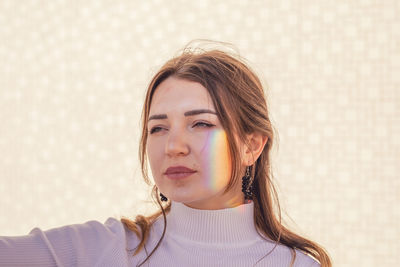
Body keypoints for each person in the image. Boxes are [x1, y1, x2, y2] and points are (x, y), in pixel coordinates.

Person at [0, 44, 331, 267]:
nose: (173, 146)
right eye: (158, 128)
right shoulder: (110, 249)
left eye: (200, 124)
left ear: (252, 145)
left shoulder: (296, 265)